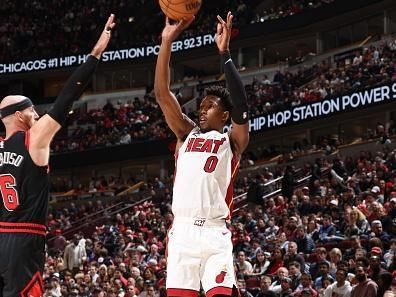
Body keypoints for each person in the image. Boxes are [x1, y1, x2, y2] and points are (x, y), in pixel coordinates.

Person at [0, 14, 115, 297]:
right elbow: (66, 99)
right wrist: (96, 54)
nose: (36, 114)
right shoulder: (32, 139)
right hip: (24, 239)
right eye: (31, 110)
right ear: (18, 115)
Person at [154, 12, 249, 297]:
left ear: (224, 114)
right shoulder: (186, 133)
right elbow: (162, 94)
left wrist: (225, 53)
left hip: (214, 232)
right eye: (202, 105)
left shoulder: (231, 141)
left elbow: (242, 104)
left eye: (209, 106)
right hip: (182, 232)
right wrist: (166, 42)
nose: (201, 109)